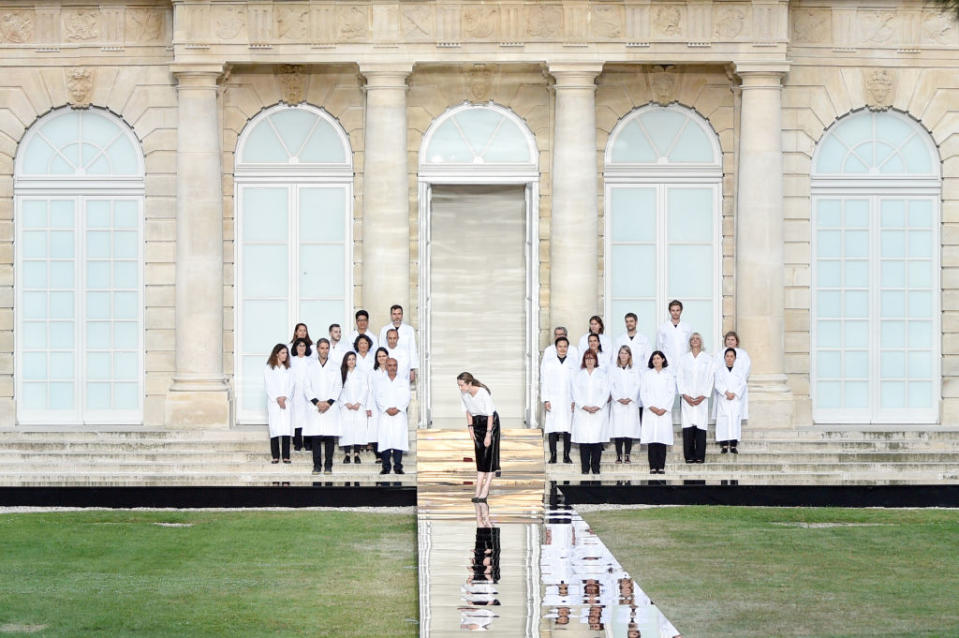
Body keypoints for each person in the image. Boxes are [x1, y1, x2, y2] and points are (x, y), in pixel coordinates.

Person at [458, 372, 501, 502]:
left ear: (469, 384)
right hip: (477, 424)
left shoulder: (482, 393)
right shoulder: (464, 394)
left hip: (490, 423)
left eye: (462, 385)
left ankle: (485, 488)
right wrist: (470, 427)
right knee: (480, 454)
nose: (460, 388)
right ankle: (477, 489)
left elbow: (490, 415)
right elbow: (467, 411)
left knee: (489, 454)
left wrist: (488, 434)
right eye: (458, 385)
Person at [303, 338, 343, 474]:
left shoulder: (335, 366)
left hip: (330, 407)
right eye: (322, 348)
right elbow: (307, 387)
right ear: (317, 349)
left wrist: (328, 403)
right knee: (316, 437)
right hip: (315, 407)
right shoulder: (310, 366)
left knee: (329, 437)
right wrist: (317, 403)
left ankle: (328, 465)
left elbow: (338, 386)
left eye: (327, 348)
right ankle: (317, 466)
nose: (324, 350)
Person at [571, 350, 610, 476]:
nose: (589, 360)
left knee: (596, 441)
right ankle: (585, 468)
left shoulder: (602, 375)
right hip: (583, 412)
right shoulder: (578, 375)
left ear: (595, 360)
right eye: (587, 358)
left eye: (591, 358)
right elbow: (575, 392)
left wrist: (597, 406)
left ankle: (596, 467)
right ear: (584, 360)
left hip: (598, 412)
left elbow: (606, 392)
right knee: (584, 442)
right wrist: (584, 406)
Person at [679, 333, 713, 464]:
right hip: (687, 398)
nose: (695, 340)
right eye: (692, 339)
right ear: (690, 342)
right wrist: (684, 395)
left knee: (700, 427)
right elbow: (679, 377)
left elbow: (710, 377)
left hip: (701, 398)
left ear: (701, 342)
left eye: (697, 338)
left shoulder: (707, 359)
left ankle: (699, 455)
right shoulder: (684, 359)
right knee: (688, 427)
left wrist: (704, 395)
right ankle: (689, 455)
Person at [541, 336, 575, 464]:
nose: (562, 349)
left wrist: (574, 400)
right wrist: (546, 400)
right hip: (553, 399)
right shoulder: (549, 363)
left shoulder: (573, 363)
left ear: (568, 348)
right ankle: (553, 456)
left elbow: (576, 383)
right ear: (556, 348)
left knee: (568, 428)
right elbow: (544, 382)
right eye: (560, 346)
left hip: (568, 399)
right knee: (552, 427)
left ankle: (566, 455)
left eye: (565, 346)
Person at [640, 350, 675, 474]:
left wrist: (664, 408)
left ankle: (661, 466)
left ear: (663, 360)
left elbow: (672, 393)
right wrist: (652, 407)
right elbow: (643, 393)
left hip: (663, 412)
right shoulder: (647, 375)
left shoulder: (668, 375)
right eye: (654, 358)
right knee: (652, 439)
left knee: (662, 439)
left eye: (658, 358)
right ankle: (652, 466)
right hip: (651, 411)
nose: (656, 360)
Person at [374, 358, 411, 474]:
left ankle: (398, 467)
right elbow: (378, 397)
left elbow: (407, 397)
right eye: (390, 365)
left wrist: (398, 408)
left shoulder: (403, 381)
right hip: (385, 414)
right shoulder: (380, 381)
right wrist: (386, 409)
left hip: (399, 415)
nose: (392, 367)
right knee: (385, 441)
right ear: (386, 366)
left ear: (397, 366)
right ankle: (386, 467)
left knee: (398, 441)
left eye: (394, 365)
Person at [609, 345, 641, 464]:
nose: (623, 355)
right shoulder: (613, 369)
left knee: (629, 429)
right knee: (618, 430)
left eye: (626, 353)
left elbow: (638, 384)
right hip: (618, 403)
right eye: (621, 353)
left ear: (629, 356)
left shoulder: (635, 369)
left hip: (630, 404)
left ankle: (627, 455)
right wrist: (618, 398)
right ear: (618, 355)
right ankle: (618, 455)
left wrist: (630, 398)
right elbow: (610, 385)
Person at [339, 351, 371, 465]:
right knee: (346, 429)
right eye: (349, 359)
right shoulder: (341, 373)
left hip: (358, 406)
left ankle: (357, 454)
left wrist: (359, 402)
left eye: (353, 359)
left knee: (358, 429)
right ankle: (347, 454)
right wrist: (345, 402)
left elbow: (365, 389)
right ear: (345, 361)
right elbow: (339, 389)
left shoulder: (361, 373)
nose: (351, 361)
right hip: (346, 407)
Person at [263, 344, 293, 464]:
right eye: (282, 353)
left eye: (286, 353)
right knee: (274, 428)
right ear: (276, 354)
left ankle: (286, 456)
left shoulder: (289, 369)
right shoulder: (269, 368)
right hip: (274, 402)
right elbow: (268, 385)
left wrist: (285, 397)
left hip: (286, 402)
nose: (285, 355)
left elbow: (292, 385)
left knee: (286, 428)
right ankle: (275, 455)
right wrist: (278, 398)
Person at [714, 330, 751, 421]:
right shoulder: (719, 355)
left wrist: (735, 391)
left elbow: (745, 372)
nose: (730, 341)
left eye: (732, 339)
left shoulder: (743, 355)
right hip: (723, 393)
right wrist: (725, 391)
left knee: (735, 417)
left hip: (737, 391)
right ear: (725, 341)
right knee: (723, 418)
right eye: (728, 339)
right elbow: (715, 371)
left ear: (737, 341)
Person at [715, 347, 746, 454]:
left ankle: (733, 445)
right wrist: (726, 392)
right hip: (724, 399)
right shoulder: (719, 372)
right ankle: (724, 445)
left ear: (735, 358)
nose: (729, 358)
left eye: (731, 356)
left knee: (734, 421)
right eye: (727, 356)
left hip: (735, 400)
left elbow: (743, 384)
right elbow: (718, 384)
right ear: (724, 358)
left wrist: (735, 394)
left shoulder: (739, 372)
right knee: (723, 421)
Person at [378, 304, 418, 382]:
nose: (397, 316)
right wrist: (381, 367)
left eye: (399, 314)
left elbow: (412, 349)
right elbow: (381, 350)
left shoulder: (409, 330)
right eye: (394, 314)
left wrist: (412, 369)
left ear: (402, 315)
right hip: (388, 368)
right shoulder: (384, 330)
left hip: (404, 368)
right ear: (391, 315)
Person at [288, 338, 315, 452]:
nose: (301, 348)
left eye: (303, 346)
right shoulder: (291, 361)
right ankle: (297, 442)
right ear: (295, 348)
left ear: (306, 348)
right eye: (299, 346)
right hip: (296, 394)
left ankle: (308, 443)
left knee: (308, 418)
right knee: (296, 418)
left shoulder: (311, 361)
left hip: (308, 394)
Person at [656, 300, 692, 372]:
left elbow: (690, 346)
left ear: (681, 311)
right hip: (668, 365)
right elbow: (659, 347)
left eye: (677, 310)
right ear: (669, 311)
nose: (675, 313)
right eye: (673, 310)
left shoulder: (687, 327)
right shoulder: (663, 328)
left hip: (684, 364)